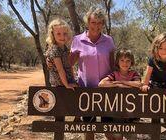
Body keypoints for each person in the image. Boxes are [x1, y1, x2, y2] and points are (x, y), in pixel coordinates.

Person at [69, 7, 115, 140]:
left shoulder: (108, 40)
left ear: (103, 24)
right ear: (88, 23)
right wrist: (52, 62)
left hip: (106, 92)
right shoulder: (78, 40)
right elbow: (69, 64)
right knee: (89, 129)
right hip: (86, 92)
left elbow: (112, 66)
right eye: (93, 22)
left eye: (100, 22)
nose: (97, 26)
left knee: (109, 129)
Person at [98, 48, 142, 140]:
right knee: (117, 136)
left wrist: (121, 82)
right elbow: (101, 84)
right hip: (116, 113)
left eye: (127, 61)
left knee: (132, 136)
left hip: (131, 114)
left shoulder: (134, 74)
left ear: (131, 62)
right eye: (122, 60)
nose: (124, 63)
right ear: (117, 62)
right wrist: (118, 84)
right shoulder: (114, 74)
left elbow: (138, 84)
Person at [141, 32, 166, 124]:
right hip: (155, 83)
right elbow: (148, 72)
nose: (163, 51)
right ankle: (155, 121)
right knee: (155, 100)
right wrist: (145, 84)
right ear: (156, 48)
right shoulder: (153, 59)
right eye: (160, 48)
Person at [45, 19, 78, 124]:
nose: (62, 36)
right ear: (52, 34)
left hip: (67, 80)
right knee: (60, 110)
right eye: (58, 34)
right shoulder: (54, 49)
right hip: (60, 84)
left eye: (64, 33)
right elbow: (60, 69)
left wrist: (73, 78)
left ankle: (77, 118)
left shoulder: (65, 48)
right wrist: (66, 84)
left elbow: (69, 66)